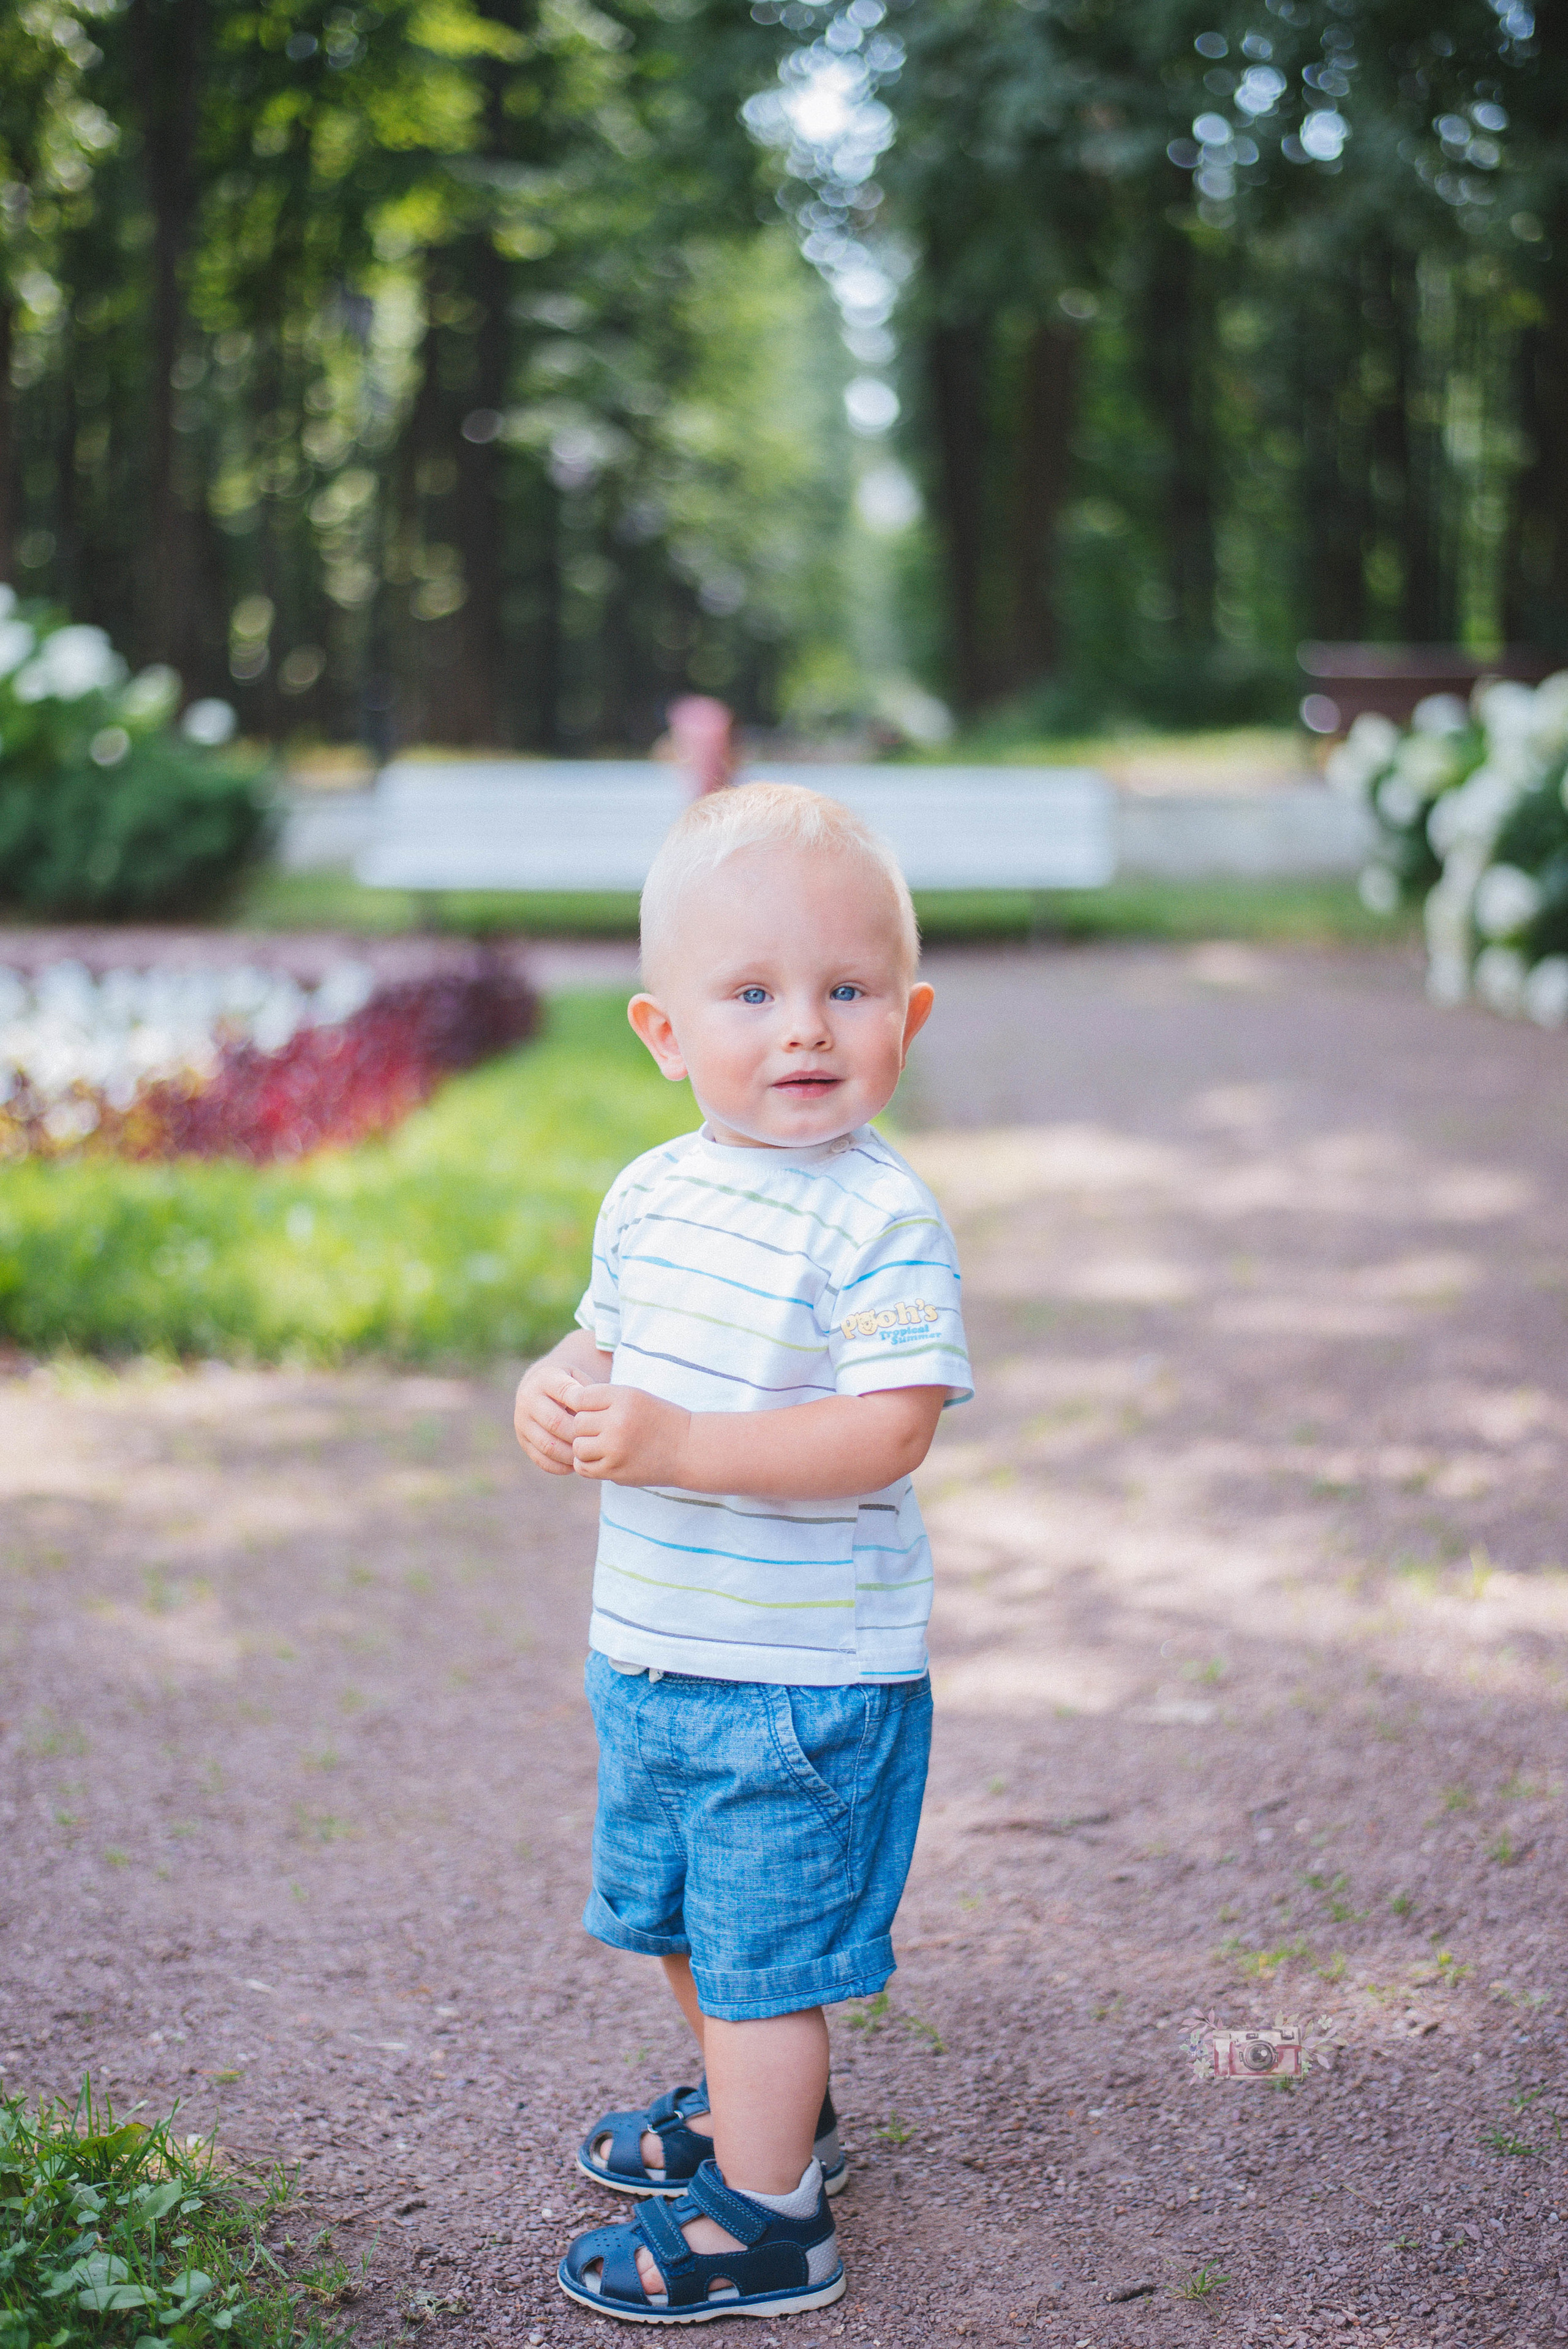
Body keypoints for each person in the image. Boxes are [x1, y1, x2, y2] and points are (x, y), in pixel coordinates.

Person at [513, 781, 971, 2324]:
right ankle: (762, 2116)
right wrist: (556, 1385)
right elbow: (604, 1346)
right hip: (652, 1646)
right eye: (755, 993)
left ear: (903, 1016)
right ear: (661, 1033)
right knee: (689, 1925)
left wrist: (685, 1447)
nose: (803, 1030)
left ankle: (770, 2223)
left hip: (798, 1680)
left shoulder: (875, 1220)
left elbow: (889, 1429)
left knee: (767, 1959)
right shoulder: (652, 1193)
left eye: (846, 991)